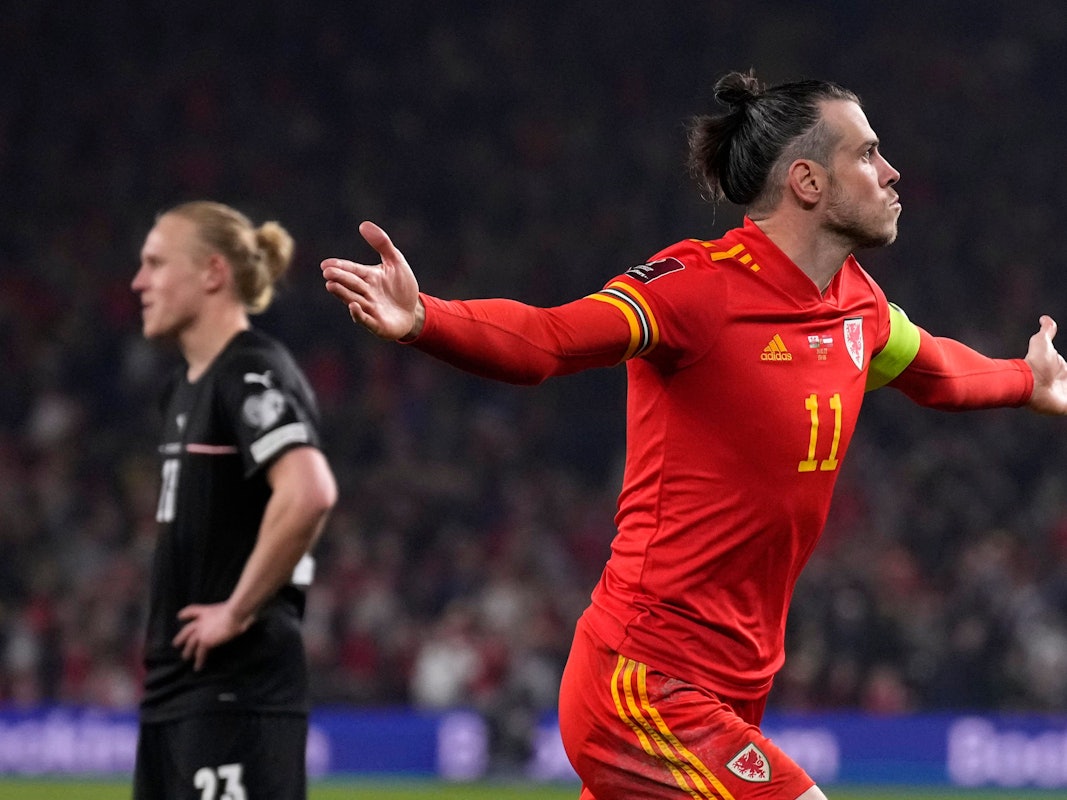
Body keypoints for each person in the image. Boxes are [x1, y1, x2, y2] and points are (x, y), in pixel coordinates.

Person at [320, 70, 1067, 800]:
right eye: (868, 153)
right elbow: (550, 340)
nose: (892, 171)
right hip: (641, 680)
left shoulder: (856, 307)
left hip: (736, 687)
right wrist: (427, 320)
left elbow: (935, 371)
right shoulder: (695, 287)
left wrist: (1026, 381)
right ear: (807, 182)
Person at [131, 200, 337, 800]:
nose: (138, 282)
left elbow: (309, 491)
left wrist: (237, 610)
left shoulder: (247, 372)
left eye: (155, 264)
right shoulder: (181, 388)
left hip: (234, 692)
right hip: (180, 691)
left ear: (212, 273)